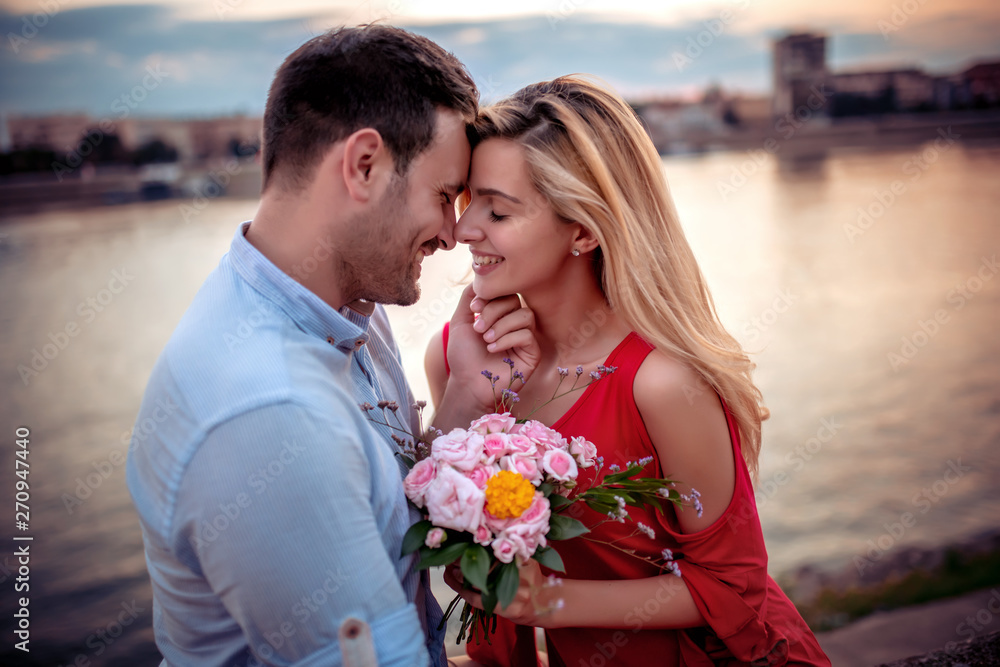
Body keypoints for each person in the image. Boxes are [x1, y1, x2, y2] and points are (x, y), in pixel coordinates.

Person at [126, 25, 537, 667]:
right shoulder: (268, 411)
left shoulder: (346, 308)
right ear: (363, 165)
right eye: (442, 194)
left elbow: (374, 512)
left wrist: (465, 397)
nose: (455, 234)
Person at [425, 76, 831, 666]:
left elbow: (730, 588)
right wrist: (466, 394)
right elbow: (442, 532)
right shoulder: (456, 359)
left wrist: (549, 603)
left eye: (497, 210)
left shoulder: (663, 384)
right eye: (468, 204)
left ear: (584, 229)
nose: (463, 231)